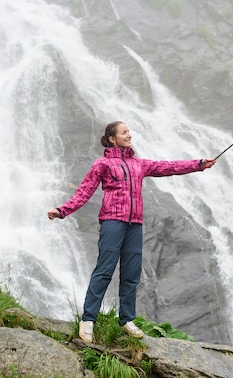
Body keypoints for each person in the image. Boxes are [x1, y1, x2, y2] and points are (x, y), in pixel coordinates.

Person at [47, 121, 216, 343]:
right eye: (124, 132)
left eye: (129, 131)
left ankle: (126, 320)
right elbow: (84, 191)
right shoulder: (103, 164)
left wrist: (199, 164)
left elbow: (169, 167)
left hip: (134, 224)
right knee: (104, 270)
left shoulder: (139, 164)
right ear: (112, 139)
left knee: (131, 273)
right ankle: (88, 320)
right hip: (112, 221)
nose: (129, 135)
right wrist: (63, 210)